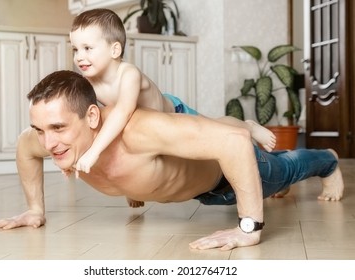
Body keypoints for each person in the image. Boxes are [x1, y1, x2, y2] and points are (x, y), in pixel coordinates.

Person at [0, 71, 344, 251]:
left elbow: (234, 143)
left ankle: (328, 160)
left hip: (227, 178)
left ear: (93, 117)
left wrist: (247, 229)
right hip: (196, 183)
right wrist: (35, 208)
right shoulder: (45, 140)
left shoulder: (137, 132)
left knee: (289, 167)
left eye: (58, 128)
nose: (48, 142)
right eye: (40, 129)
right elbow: (25, 149)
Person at [69, 8, 276, 176]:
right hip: (148, 133)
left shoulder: (128, 73)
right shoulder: (89, 84)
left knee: (218, 129)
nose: (79, 57)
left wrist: (93, 153)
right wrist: (72, 156)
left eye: (87, 48)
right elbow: (86, 120)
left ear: (115, 50)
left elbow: (123, 112)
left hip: (175, 114)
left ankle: (248, 127)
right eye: (75, 50)